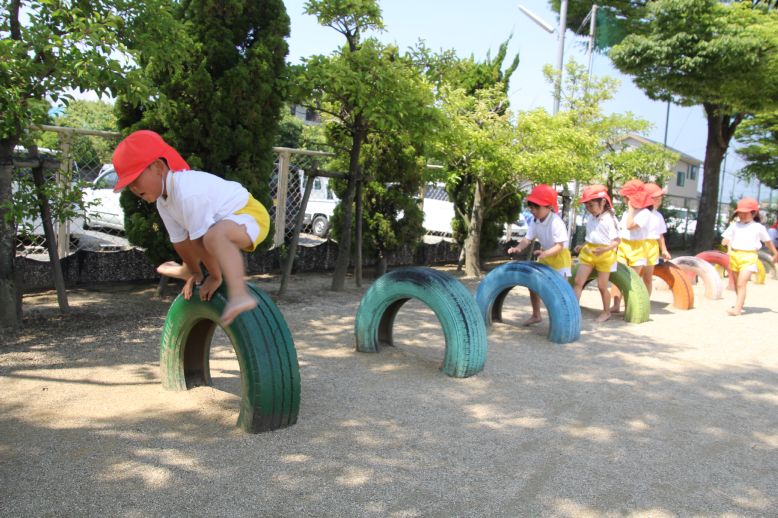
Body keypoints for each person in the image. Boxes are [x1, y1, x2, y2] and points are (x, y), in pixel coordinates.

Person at [111, 130, 270, 325]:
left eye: (136, 179)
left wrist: (214, 276)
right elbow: (181, 241)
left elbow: (200, 241)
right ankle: (187, 270)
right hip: (224, 225)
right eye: (129, 184)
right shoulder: (163, 201)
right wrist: (196, 273)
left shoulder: (187, 193)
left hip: (250, 214)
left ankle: (239, 294)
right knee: (205, 237)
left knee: (213, 237)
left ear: (158, 167)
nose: (133, 188)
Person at [507, 184, 571, 326]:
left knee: (561, 289)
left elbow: (560, 246)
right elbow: (527, 239)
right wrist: (518, 248)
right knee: (533, 284)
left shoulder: (556, 222)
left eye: (537, 207)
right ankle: (536, 315)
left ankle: (565, 319)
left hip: (559, 257)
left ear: (549, 207)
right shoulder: (535, 221)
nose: (533, 210)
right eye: (531, 207)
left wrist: (545, 253)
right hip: (545, 255)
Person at [721, 198, 778, 316]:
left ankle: (737, 309)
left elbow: (767, 242)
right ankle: (739, 304)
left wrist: (775, 253)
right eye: (740, 212)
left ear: (753, 213)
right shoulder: (734, 225)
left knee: (742, 283)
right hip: (735, 255)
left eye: (745, 212)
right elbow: (725, 240)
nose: (741, 215)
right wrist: (726, 242)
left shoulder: (758, 227)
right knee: (737, 283)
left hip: (749, 256)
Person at [572, 184, 621, 322]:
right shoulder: (591, 218)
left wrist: (604, 249)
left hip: (605, 254)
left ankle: (606, 312)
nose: (588, 208)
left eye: (591, 205)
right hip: (589, 252)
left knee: (602, 286)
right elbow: (592, 237)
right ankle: (573, 309)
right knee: (578, 281)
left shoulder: (610, 219)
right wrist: (582, 246)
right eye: (586, 205)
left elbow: (617, 241)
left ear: (603, 202)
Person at [610, 179, 654, 314]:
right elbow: (622, 229)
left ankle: (630, 306)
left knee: (632, 279)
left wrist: (630, 209)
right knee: (617, 275)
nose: (624, 199)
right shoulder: (627, 212)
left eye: (626, 197)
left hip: (637, 248)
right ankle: (616, 304)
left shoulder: (645, 213)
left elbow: (630, 226)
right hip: (624, 245)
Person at [642, 183, 672, 295]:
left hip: (652, 246)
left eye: (660, 198)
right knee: (632, 275)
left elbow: (660, 235)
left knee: (648, 277)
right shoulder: (640, 213)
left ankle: (645, 302)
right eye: (657, 198)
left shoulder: (658, 216)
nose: (660, 201)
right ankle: (622, 302)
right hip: (638, 244)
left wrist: (664, 250)